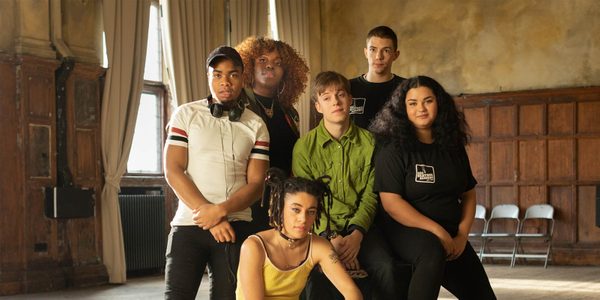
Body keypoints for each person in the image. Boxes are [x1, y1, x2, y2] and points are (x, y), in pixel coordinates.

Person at [369, 75, 496, 300]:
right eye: (413, 103)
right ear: (402, 108)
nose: (421, 109)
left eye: (427, 101)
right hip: (405, 228)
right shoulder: (393, 149)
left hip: (450, 232)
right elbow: (391, 204)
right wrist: (438, 232)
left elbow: (468, 194)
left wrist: (462, 236)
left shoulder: (452, 146)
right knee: (432, 250)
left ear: (439, 103)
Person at [163, 46, 270, 299]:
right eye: (218, 74)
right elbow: (173, 170)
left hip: (236, 228)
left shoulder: (256, 125)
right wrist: (209, 216)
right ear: (208, 77)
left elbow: (256, 185)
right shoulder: (186, 114)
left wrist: (221, 212)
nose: (225, 82)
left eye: (232, 75)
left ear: (242, 78)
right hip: (189, 225)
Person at [292, 71, 397, 299]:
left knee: (386, 268)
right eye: (327, 97)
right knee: (312, 277)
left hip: (362, 229)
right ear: (318, 106)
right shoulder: (304, 147)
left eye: (340, 95)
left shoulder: (370, 143)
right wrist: (331, 236)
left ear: (350, 100)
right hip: (319, 230)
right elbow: (307, 200)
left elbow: (372, 195)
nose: (336, 102)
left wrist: (356, 235)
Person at [236, 168, 362, 300]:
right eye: (296, 210)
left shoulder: (319, 246)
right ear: (280, 207)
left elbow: (351, 291)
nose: (303, 219)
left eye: (311, 211)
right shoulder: (254, 247)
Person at [236, 36, 310, 231]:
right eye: (262, 60)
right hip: (247, 200)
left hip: (282, 201)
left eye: (277, 63)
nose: (270, 66)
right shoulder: (237, 106)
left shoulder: (289, 111)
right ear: (249, 65)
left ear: (286, 72)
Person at [350, 25, 405, 130]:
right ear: (366, 52)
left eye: (386, 50)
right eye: (373, 49)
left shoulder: (406, 88)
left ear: (396, 55)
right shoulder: (348, 87)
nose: (379, 56)